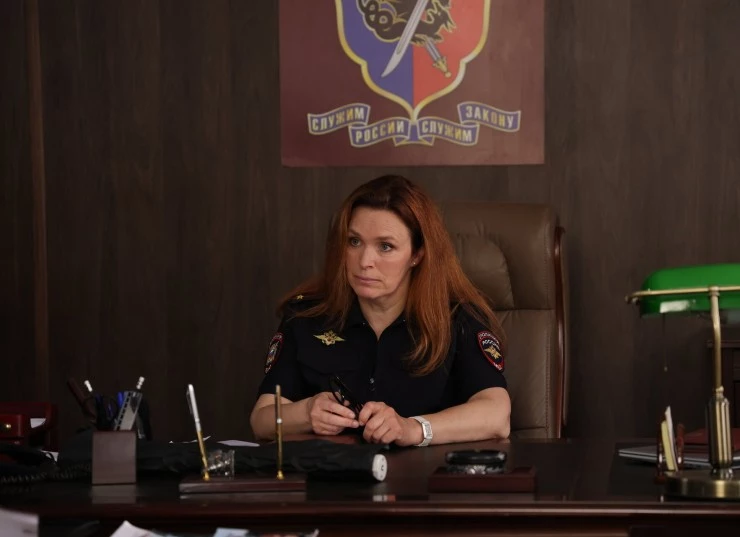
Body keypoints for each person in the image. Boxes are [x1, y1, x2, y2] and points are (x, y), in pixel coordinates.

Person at [250, 175, 510, 446]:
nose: (365, 261)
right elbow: (261, 420)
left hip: (424, 470)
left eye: (385, 247)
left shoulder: (458, 318)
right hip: (331, 470)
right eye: (354, 242)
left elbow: (497, 415)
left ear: (417, 254)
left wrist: (413, 428)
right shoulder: (306, 316)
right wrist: (305, 413)